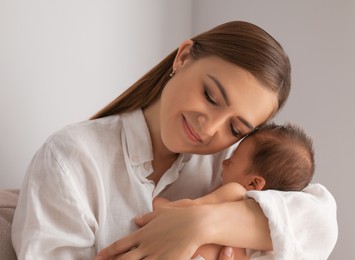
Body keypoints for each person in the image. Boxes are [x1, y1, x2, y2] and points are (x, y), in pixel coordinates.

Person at [11, 21, 337, 260]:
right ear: (183, 58)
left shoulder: (228, 169)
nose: (210, 129)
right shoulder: (72, 159)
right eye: (210, 96)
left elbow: (319, 223)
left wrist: (201, 223)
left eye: (236, 129)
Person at [152, 122, 315, 260]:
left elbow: (191, 210)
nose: (224, 162)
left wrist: (160, 205)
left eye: (231, 161)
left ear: (254, 183)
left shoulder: (235, 192)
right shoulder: (272, 231)